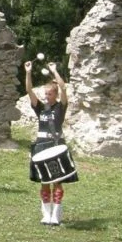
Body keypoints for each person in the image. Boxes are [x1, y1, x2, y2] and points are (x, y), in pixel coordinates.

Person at [25, 61, 78, 225]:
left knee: (58, 180)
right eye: (45, 94)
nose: (46, 97)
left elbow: (63, 88)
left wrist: (55, 71)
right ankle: (46, 214)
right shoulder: (41, 108)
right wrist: (28, 72)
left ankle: (56, 215)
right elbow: (29, 90)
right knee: (44, 181)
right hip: (41, 145)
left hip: (56, 144)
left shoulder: (60, 108)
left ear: (54, 95)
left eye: (49, 94)